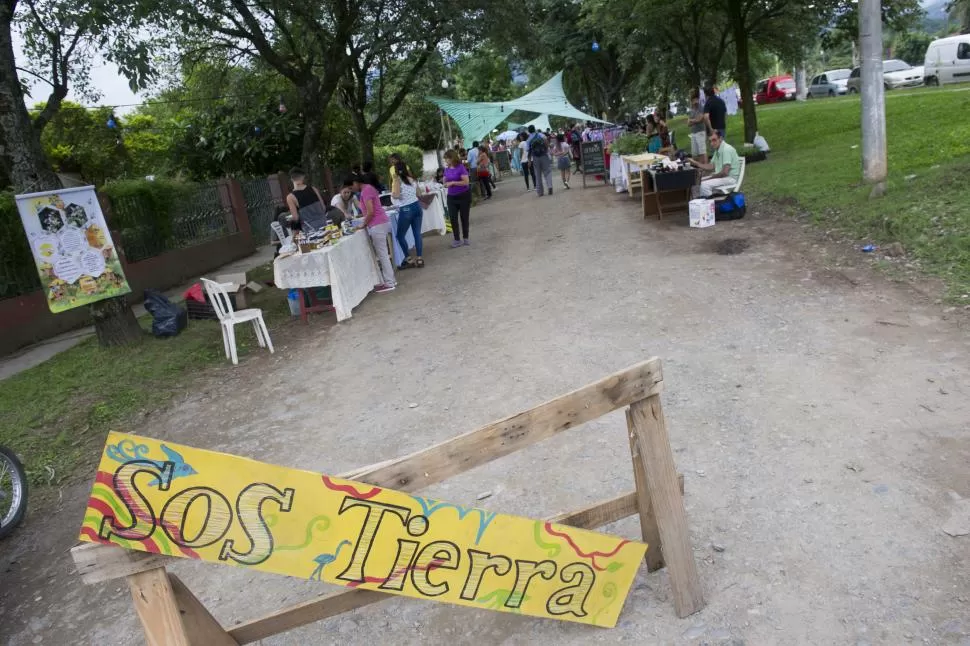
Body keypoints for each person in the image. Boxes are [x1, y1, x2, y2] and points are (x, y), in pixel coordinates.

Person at [352, 174, 396, 292]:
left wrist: (363, 224)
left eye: (352, 186)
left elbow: (370, 212)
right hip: (381, 222)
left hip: (377, 224)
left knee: (382, 254)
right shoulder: (369, 188)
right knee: (383, 254)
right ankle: (388, 280)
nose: (352, 189)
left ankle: (389, 282)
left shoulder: (365, 191)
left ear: (356, 182)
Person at [391, 161, 424, 269]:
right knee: (417, 234)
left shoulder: (397, 180)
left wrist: (400, 196)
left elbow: (395, 195)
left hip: (406, 209)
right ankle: (419, 258)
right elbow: (419, 194)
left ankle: (409, 259)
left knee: (400, 236)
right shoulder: (412, 179)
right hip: (417, 207)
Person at [689, 130, 741, 197]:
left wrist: (711, 178)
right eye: (710, 141)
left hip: (730, 178)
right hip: (725, 177)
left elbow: (724, 172)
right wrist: (695, 163)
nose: (712, 143)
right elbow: (711, 166)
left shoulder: (726, 150)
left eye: (714, 140)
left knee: (704, 185)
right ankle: (707, 203)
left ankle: (709, 205)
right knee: (700, 181)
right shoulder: (718, 149)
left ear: (720, 139)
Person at [285, 167, 329, 232]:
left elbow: (295, 218)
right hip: (326, 225)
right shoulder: (313, 189)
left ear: (291, 179)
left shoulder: (290, 197)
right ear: (303, 177)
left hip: (310, 230)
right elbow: (323, 208)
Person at [442, 149, 471, 247]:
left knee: (464, 217)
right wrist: (445, 183)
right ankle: (457, 239)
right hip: (451, 197)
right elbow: (445, 181)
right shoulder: (446, 169)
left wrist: (453, 183)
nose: (445, 161)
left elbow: (466, 182)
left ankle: (466, 237)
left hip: (463, 195)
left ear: (452, 158)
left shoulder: (461, 167)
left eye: (446, 159)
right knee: (453, 218)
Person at [527, 125, 553, 197]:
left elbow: (529, 151)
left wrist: (529, 161)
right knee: (547, 172)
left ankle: (540, 192)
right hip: (544, 155)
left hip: (535, 158)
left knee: (537, 175)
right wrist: (547, 150)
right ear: (534, 129)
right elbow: (546, 142)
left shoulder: (528, 140)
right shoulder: (541, 135)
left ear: (529, 131)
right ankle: (549, 186)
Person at [687, 89, 708, 164]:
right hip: (693, 133)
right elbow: (688, 124)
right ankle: (699, 167)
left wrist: (692, 121)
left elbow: (700, 119)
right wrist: (694, 120)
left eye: (696, 99)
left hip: (700, 132)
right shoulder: (691, 110)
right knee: (695, 153)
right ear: (692, 101)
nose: (695, 101)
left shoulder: (701, 108)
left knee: (702, 151)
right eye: (693, 100)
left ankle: (705, 167)